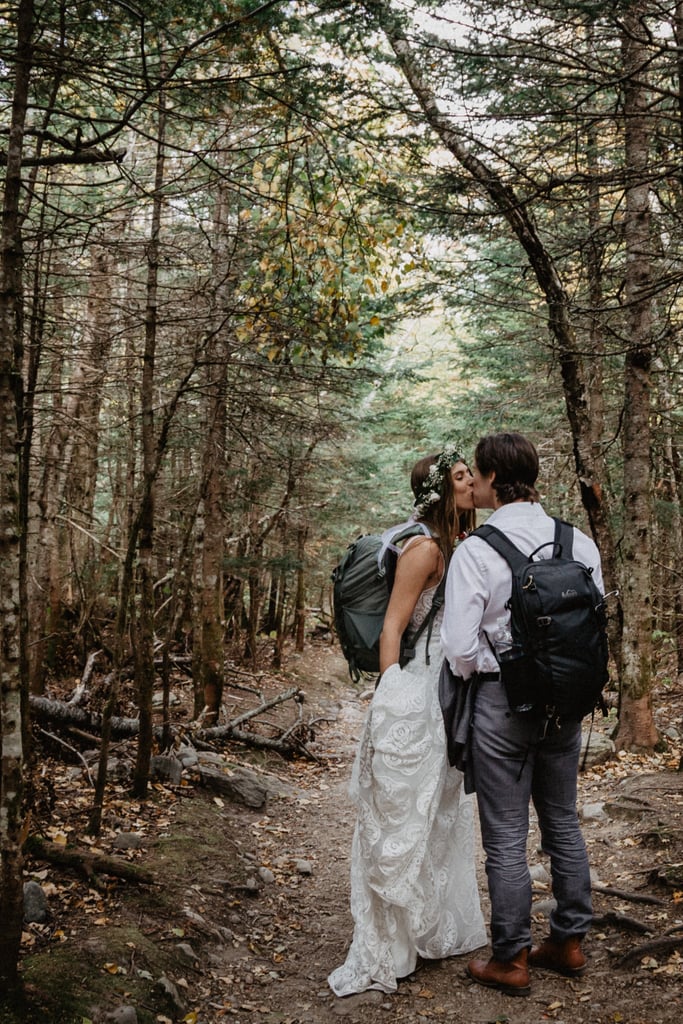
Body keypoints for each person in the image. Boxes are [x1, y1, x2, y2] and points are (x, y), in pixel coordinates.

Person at [441, 432, 600, 997]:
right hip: (566, 704)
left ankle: (511, 957)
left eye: (476, 476)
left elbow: (459, 649)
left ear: (488, 478)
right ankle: (569, 939)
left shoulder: (476, 550)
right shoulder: (577, 541)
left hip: (499, 702)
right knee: (562, 821)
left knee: (506, 836)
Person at [328, 445, 487, 997]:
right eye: (463, 477)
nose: (471, 484)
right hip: (414, 694)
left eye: (470, 475)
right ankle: (388, 943)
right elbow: (394, 626)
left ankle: (428, 927)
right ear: (442, 489)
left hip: (449, 697)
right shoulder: (422, 548)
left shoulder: (462, 544)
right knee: (400, 815)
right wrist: (390, 696)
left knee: (438, 812)